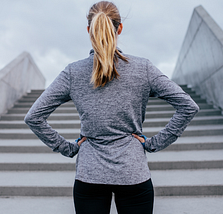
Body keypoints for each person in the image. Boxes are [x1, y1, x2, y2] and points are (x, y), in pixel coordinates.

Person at [24, 1, 199, 213]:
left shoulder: (73, 72)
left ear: (89, 30)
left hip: (89, 174)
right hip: (133, 173)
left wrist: (69, 149)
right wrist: (153, 143)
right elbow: (188, 106)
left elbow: (33, 117)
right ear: (120, 28)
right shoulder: (143, 68)